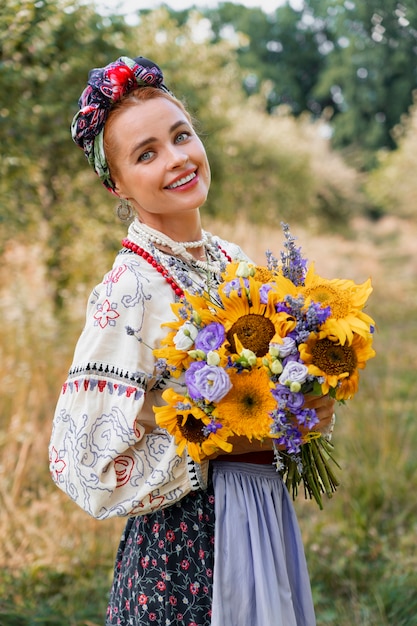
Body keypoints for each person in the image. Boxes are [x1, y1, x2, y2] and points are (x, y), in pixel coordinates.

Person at [49, 55, 335, 626]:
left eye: (181, 135)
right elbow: (81, 457)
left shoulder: (235, 263)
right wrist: (218, 435)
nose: (177, 158)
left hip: (260, 516)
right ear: (117, 186)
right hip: (186, 553)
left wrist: (306, 405)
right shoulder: (129, 288)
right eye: (146, 153)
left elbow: (274, 390)